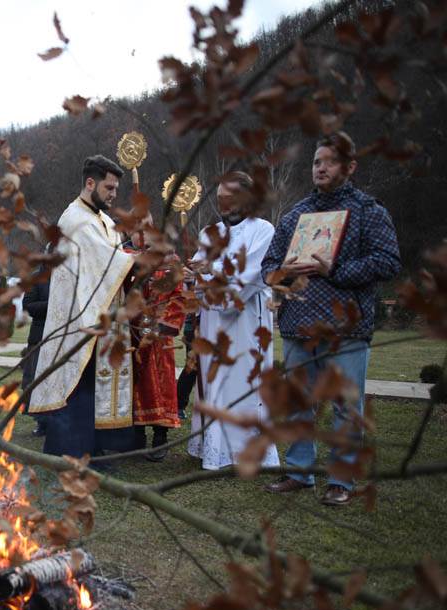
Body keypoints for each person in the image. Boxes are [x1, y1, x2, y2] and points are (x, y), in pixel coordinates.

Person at [261, 132, 402, 505]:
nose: (320, 167)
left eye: (329, 161)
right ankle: (298, 472)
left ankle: (342, 480)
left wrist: (335, 268)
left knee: (345, 406)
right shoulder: (296, 215)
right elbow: (268, 268)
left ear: (350, 167)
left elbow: (388, 261)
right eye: (316, 161)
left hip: (346, 326)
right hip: (298, 324)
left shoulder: (369, 211)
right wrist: (285, 273)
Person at [28, 155, 137, 466]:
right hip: (79, 318)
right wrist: (139, 258)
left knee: (89, 385)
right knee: (79, 386)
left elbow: (116, 254)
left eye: (116, 188)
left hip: (94, 314)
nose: (113, 194)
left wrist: (134, 255)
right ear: (91, 183)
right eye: (109, 187)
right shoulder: (76, 219)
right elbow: (109, 260)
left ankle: (91, 448)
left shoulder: (100, 220)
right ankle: (75, 452)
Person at [186, 172, 280, 472]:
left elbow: (248, 273)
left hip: (248, 322)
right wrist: (193, 276)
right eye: (221, 198)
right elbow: (200, 278)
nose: (225, 204)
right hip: (214, 322)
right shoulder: (208, 233)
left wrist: (210, 270)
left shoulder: (263, 230)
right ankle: (216, 449)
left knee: (245, 383)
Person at [128, 218, 185, 460]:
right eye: (134, 229)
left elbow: (179, 296)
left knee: (161, 385)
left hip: (159, 336)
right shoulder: (124, 256)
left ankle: (160, 438)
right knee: (133, 386)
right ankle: (135, 438)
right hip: (131, 331)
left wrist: (164, 324)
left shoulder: (168, 259)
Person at [21, 275, 50, 437]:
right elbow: (28, 306)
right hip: (40, 337)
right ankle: (41, 422)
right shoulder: (37, 278)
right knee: (37, 381)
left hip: (65, 337)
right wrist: (52, 304)